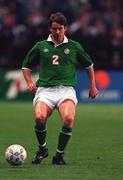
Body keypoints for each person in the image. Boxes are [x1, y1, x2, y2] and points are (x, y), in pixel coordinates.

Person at [22, 12, 99, 165]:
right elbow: (25, 66)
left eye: (60, 29)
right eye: (54, 29)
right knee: (39, 118)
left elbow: (89, 65)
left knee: (69, 118)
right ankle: (42, 149)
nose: (57, 32)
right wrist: (29, 82)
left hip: (66, 90)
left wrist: (92, 86)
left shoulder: (74, 46)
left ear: (65, 28)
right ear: (50, 29)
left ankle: (59, 155)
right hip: (45, 90)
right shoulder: (41, 46)